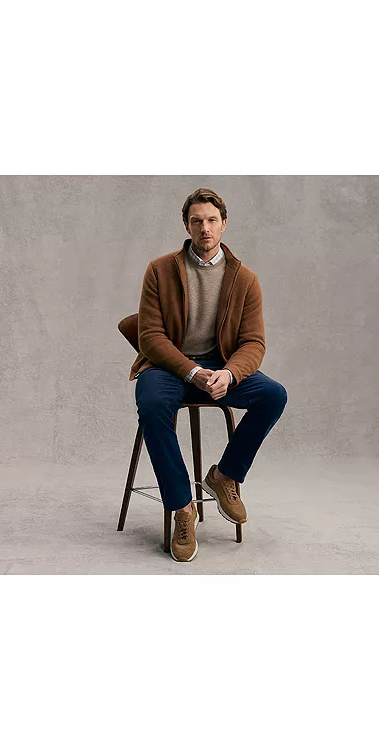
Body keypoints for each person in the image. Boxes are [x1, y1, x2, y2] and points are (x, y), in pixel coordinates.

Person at [129, 188, 288, 562]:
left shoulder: (245, 279)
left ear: (224, 224)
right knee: (151, 404)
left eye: (212, 220)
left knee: (273, 395)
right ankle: (183, 507)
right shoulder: (159, 270)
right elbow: (150, 336)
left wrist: (230, 373)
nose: (205, 228)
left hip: (220, 367)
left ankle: (225, 476)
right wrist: (192, 371)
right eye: (197, 221)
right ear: (186, 225)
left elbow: (253, 343)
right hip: (169, 367)